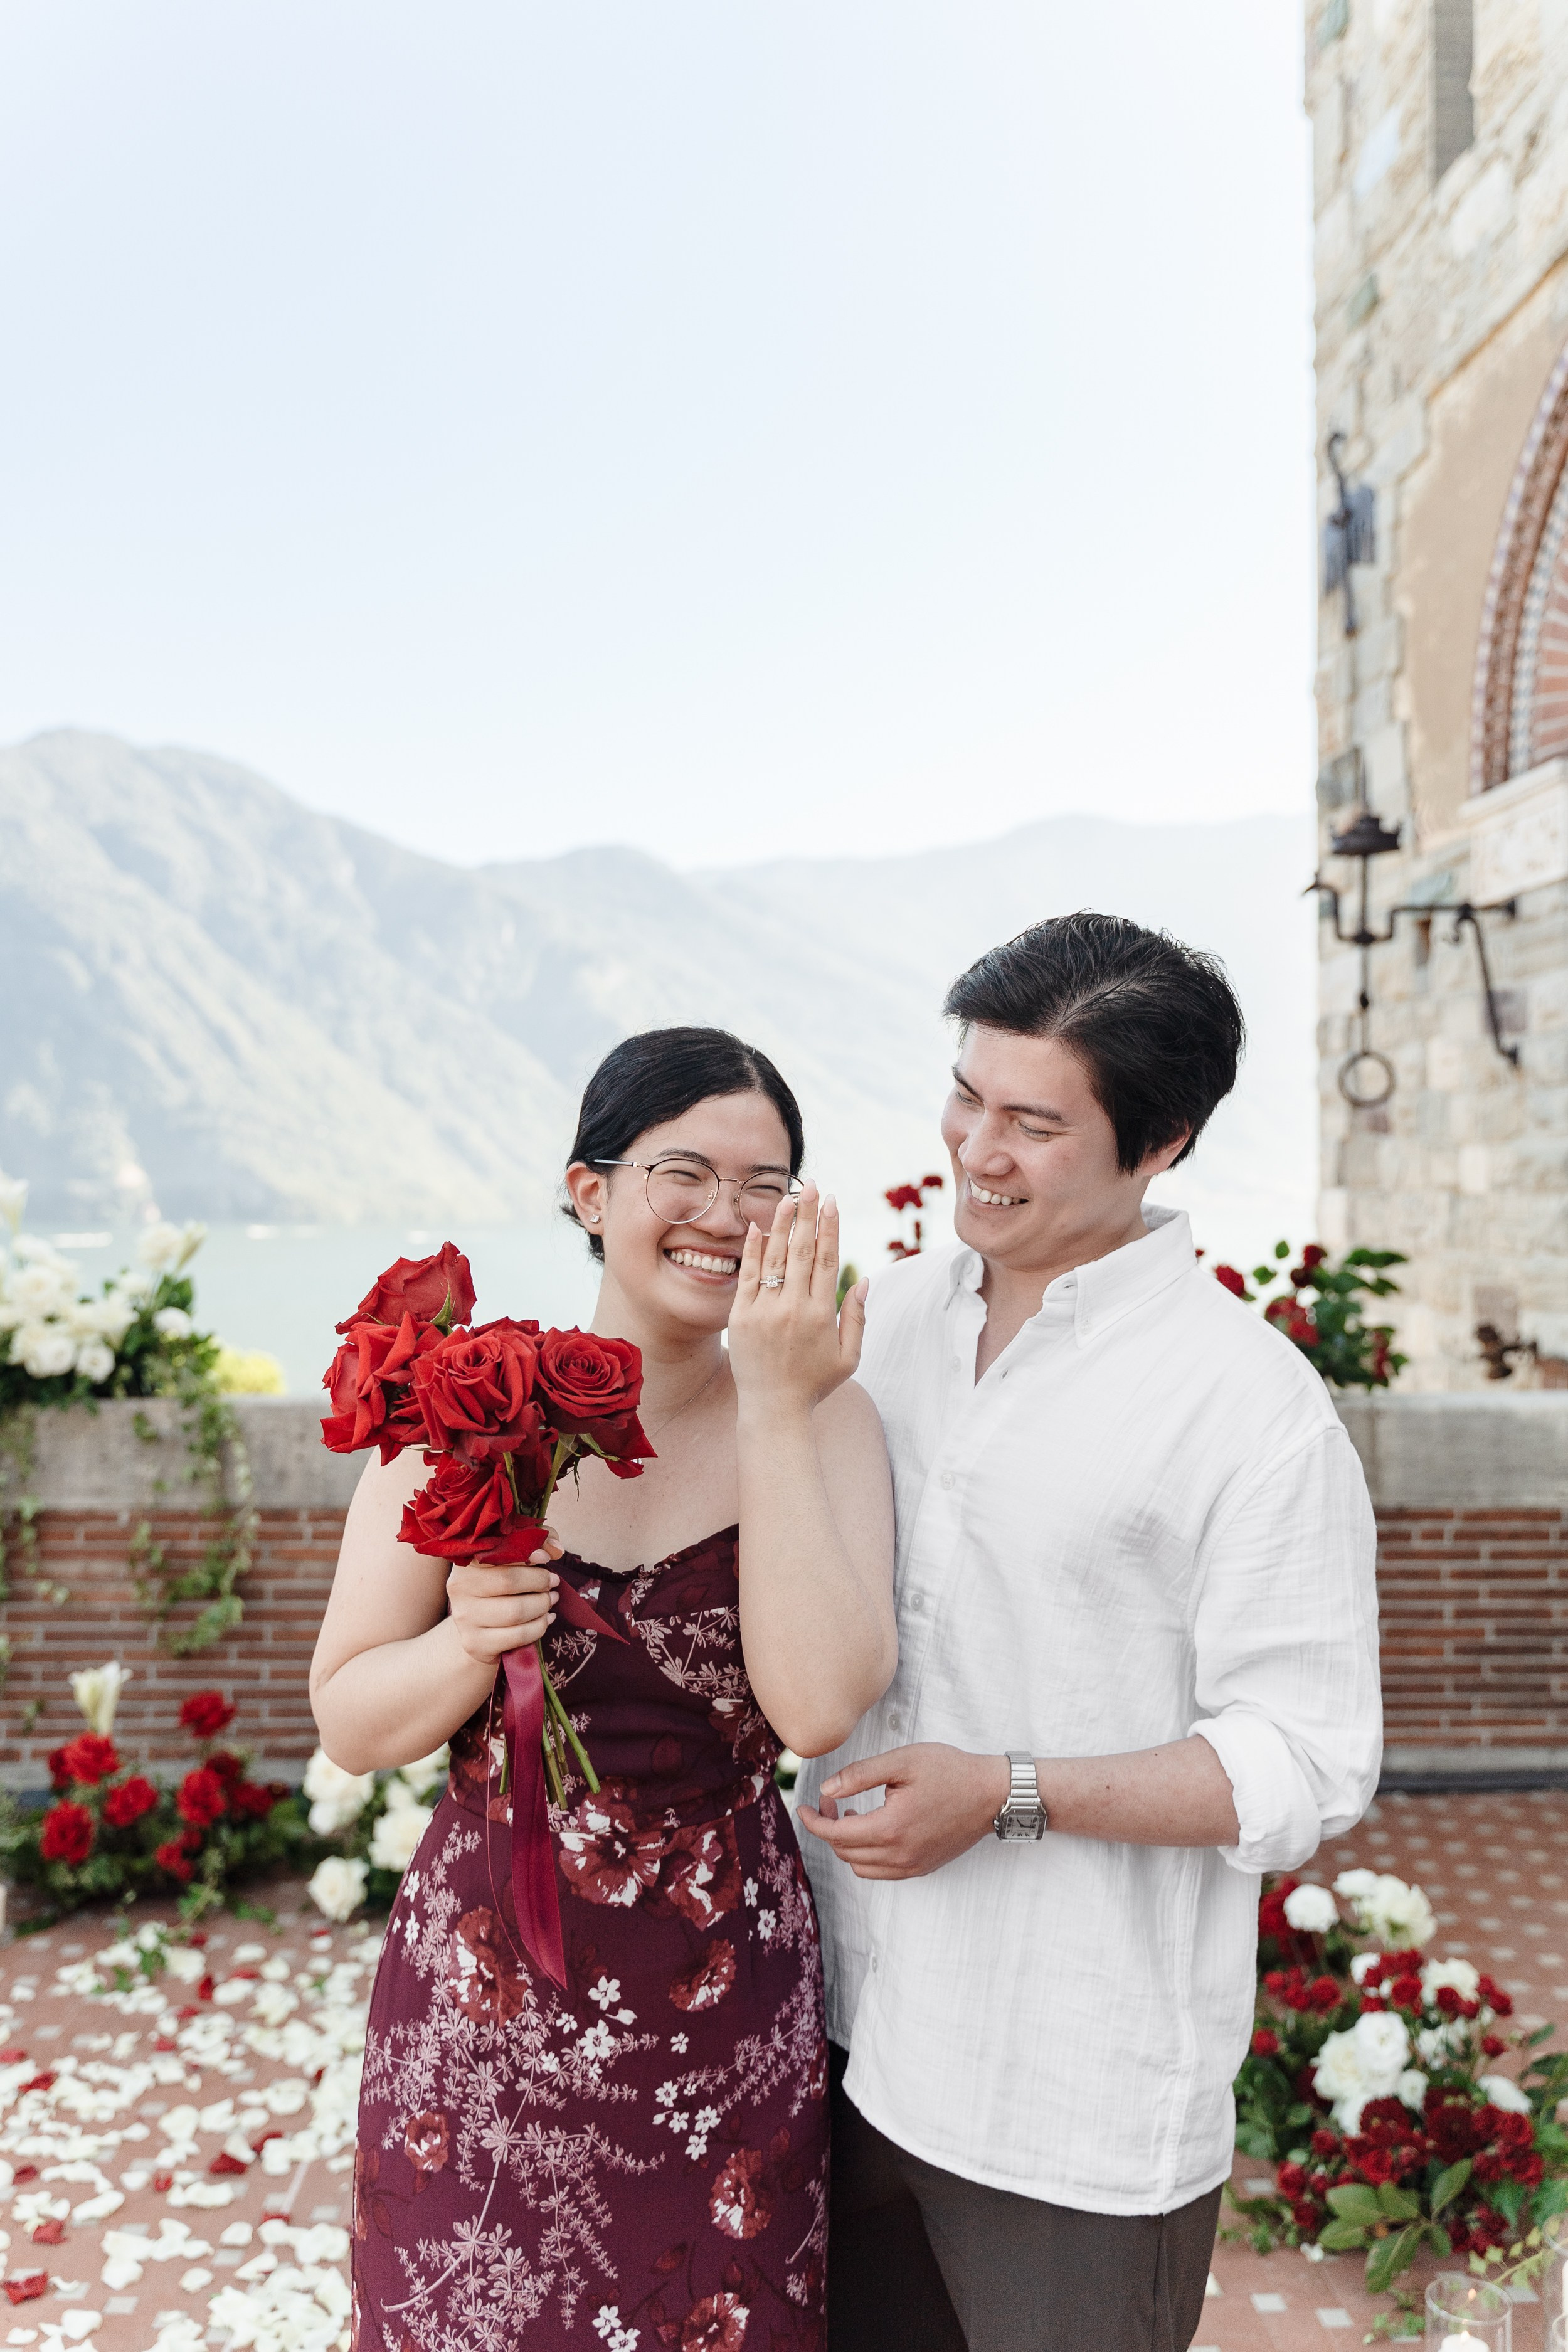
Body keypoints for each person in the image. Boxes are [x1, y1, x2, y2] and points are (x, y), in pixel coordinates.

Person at [795, 912, 1382, 2352]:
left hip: (1061, 2088)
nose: (974, 1152)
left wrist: (1007, 1792)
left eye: (1033, 1123)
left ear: (1160, 1141)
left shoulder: (1248, 1409)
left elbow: (1303, 1761)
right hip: (835, 2030)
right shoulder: (883, 1325)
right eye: (966, 1096)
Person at [312, 1025, 896, 2352]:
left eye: (765, 1186)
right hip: (487, 2000)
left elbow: (812, 1712)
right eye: (681, 1172)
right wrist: (468, 1640)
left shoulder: (824, 1421)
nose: (724, 1216)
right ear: (590, 1193)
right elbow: (348, 1721)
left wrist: (776, 1406)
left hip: (722, 2000)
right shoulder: (461, 1415)